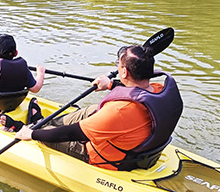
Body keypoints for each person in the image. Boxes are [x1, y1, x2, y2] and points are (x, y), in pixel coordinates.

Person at [14, 45, 183, 171]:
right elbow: (135, 92)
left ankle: (34, 127)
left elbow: (72, 133)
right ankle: (40, 122)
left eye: (119, 64)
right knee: (93, 109)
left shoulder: (118, 111)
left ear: (124, 72)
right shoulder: (158, 89)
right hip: (142, 150)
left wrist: (33, 134)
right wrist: (110, 85)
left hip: (105, 157)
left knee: (46, 133)